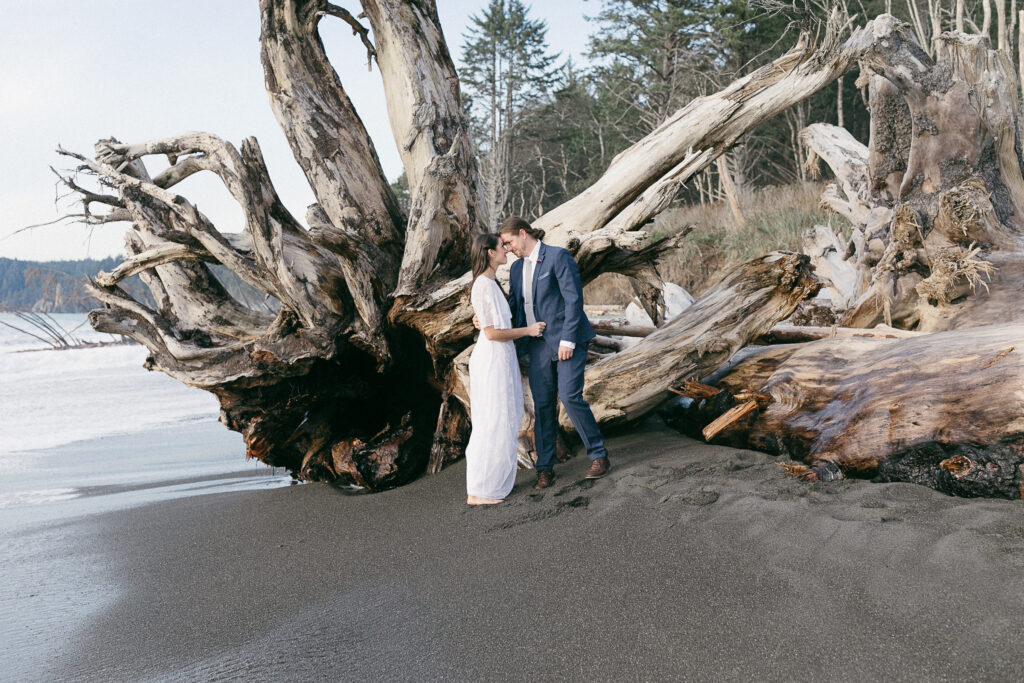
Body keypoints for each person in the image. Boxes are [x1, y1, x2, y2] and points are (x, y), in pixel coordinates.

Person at [496, 216, 611, 489]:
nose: (508, 248)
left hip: (567, 339)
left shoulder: (558, 257)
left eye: (509, 242)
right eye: (504, 245)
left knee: (571, 397)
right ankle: (545, 469)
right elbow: (514, 307)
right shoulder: (515, 270)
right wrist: (484, 322)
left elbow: (574, 298)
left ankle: (599, 456)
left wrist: (568, 341)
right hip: (536, 345)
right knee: (543, 406)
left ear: (523, 234)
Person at [465, 233, 546, 505]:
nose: (506, 251)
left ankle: (485, 487)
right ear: (489, 252)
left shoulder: (490, 283)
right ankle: (479, 490)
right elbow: (492, 333)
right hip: (492, 358)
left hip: (501, 357)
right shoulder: (483, 285)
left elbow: (489, 322)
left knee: (502, 419)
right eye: (502, 247)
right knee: (492, 420)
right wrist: (529, 331)